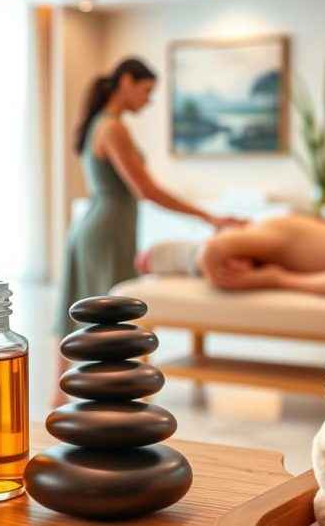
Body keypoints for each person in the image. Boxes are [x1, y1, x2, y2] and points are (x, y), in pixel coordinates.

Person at [53, 57, 242, 407]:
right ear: (126, 81)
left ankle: (63, 396)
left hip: (98, 227)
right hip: (106, 231)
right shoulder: (112, 127)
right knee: (110, 319)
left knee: (81, 309)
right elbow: (146, 190)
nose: (149, 100)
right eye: (147, 90)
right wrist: (208, 216)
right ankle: (109, 398)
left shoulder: (101, 123)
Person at [138, 214, 325, 300]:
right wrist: (277, 279)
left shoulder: (274, 230)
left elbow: (213, 252)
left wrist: (274, 280)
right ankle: (182, 257)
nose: (235, 267)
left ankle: (183, 256)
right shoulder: (293, 256)